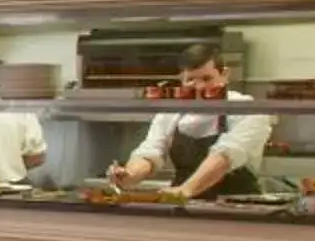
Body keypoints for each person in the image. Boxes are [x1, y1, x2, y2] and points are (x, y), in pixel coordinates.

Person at [111, 42, 271, 198]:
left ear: (225, 74)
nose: (199, 87)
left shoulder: (247, 109)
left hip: (237, 211)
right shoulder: (172, 112)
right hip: (183, 208)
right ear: (181, 79)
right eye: (191, 80)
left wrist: (187, 190)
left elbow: (225, 155)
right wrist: (129, 175)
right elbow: (150, 152)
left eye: (207, 78)